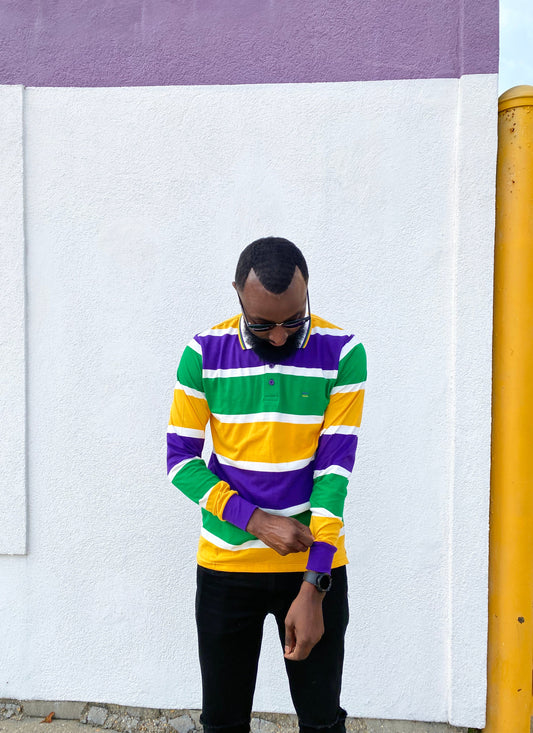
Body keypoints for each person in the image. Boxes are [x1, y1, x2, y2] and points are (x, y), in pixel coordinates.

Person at [167, 237, 366, 733]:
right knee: (223, 722)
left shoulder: (343, 352)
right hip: (225, 566)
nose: (278, 337)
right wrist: (256, 521)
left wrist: (315, 583)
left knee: (322, 722)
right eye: (261, 325)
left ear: (307, 290)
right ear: (237, 293)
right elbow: (180, 461)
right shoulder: (203, 353)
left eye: (293, 321)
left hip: (314, 564)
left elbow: (333, 475)